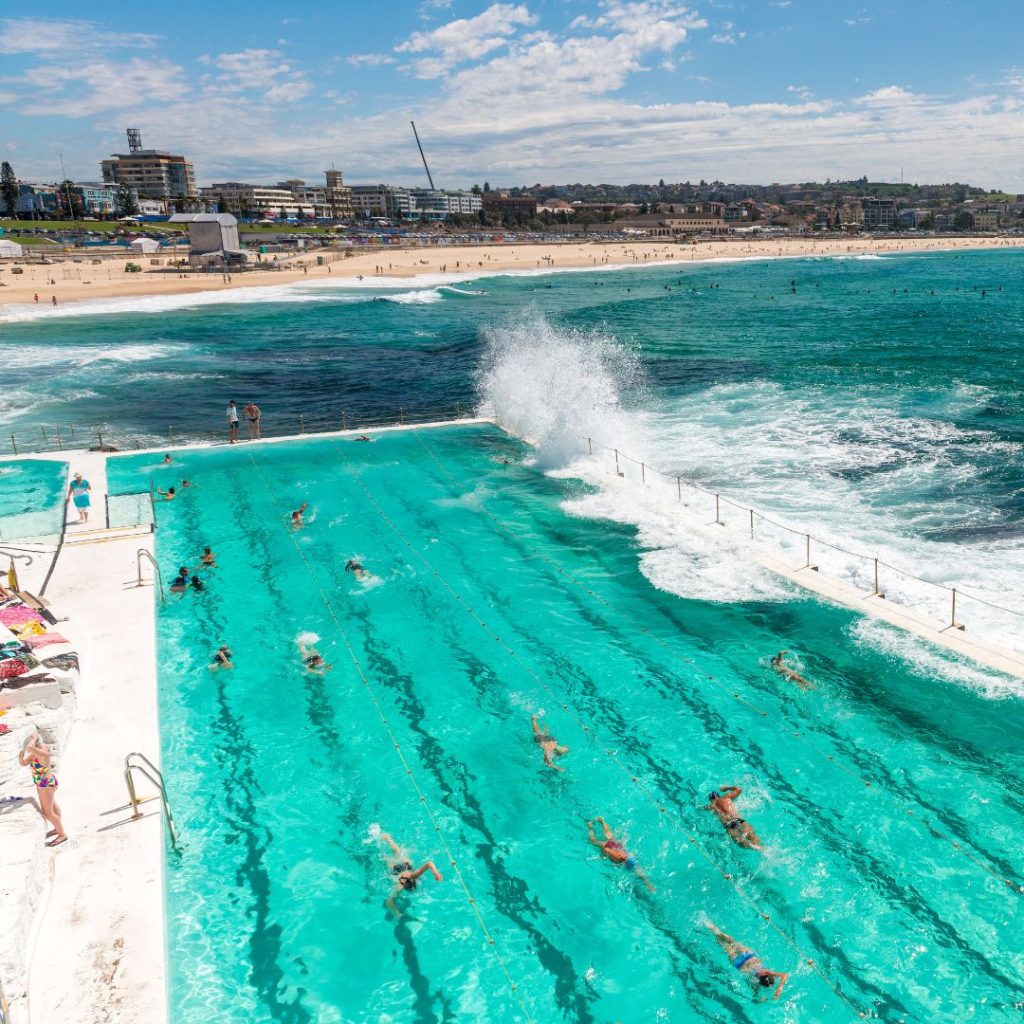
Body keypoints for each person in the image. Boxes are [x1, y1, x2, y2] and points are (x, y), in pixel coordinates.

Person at [705, 922, 789, 1000]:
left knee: (731, 941)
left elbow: (784, 975)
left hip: (749, 956)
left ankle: (714, 929)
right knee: (726, 946)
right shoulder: (755, 983)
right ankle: (713, 931)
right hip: (740, 963)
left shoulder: (766, 972)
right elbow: (755, 997)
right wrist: (762, 999)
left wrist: (780, 988)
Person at [19, 732, 67, 847]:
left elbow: (30, 747)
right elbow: (24, 763)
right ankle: (57, 827)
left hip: (46, 785)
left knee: (48, 812)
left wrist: (34, 737)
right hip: (44, 784)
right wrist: (20, 755)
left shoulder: (43, 752)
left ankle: (62, 834)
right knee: (53, 807)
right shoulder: (35, 752)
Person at [379, 830, 443, 917]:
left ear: (403, 883)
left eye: (404, 879)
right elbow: (429, 863)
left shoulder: (399, 886)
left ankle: (379, 844)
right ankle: (388, 839)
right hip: (406, 865)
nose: (406, 876)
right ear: (412, 879)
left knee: (385, 857)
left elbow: (389, 902)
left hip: (395, 870)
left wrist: (397, 914)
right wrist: (436, 872)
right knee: (399, 852)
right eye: (408, 877)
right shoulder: (414, 875)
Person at [587, 817, 655, 891]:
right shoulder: (618, 858)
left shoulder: (629, 857)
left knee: (609, 834)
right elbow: (606, 849)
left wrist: (648, 884)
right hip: (609, 846)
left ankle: (602, 821)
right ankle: (590, 827)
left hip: (618, 845)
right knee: (593, 841)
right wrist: (602, 855)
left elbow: (642, 875)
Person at [706, 786, 762, 851]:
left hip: (729, 825)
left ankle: (754, 847)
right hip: (738, 820)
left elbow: (699, 808)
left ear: (710, 800)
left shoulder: (710, 806)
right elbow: (739, 789)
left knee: (739, 841)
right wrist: (726, 788)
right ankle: (762, 849)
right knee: (752, 837)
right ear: (717, 796)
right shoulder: (726, 797)